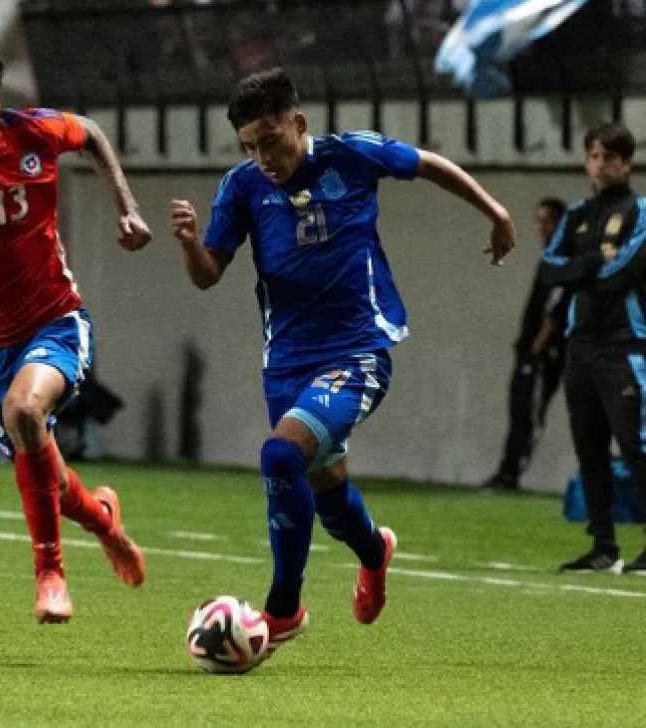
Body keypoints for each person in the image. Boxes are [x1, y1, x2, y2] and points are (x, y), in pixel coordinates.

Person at [169, 67, 515, 655]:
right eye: (249, 147)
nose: (262, 157)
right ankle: (374, 552)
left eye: (270, 141)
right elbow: (208, 276)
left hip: (359, 350)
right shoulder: (242, 188)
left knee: (281, 454)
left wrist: (496, 212)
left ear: (297, 123)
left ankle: (283, 610)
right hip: (286, 362)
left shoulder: (352, 155)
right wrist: (188, 245)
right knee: (326, 494)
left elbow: (428, 163)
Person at [0, 37, 152, 623]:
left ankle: (50, 574)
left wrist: (126, 205)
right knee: (42, 459)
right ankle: (104, 521)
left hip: (55, 319)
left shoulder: (35, 132)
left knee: (25, 413)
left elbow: (92, 134)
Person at [540, 122, 646, 574]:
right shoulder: (577, 213)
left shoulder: (640, 211)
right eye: (594, 156)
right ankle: (604, 546)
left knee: (637, 446)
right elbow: (549, 268)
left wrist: (580, 270)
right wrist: (589, 263)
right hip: (579, 346)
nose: (600, 165)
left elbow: (622, 274)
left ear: (627, 163)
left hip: (624, 345)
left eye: (609, 157)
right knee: (590, 449)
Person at [483, 198, 569, 491]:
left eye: (547, 221)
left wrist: (536, 349)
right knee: (518, 410)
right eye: (538, 221)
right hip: (529, 352)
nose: (540, 228)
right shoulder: (550, 258)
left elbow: (557, 309)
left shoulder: (565, 261)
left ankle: (511, 473)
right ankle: (506, 471)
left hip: (542, 355)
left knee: (529, 413)